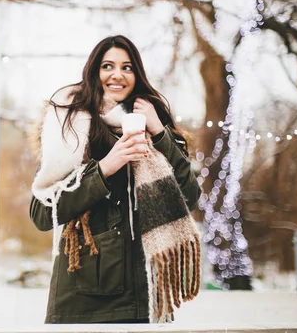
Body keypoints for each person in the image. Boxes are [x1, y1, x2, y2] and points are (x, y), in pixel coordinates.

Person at [29, 35, 202, 324]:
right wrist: (106, 167)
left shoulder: (156, 124)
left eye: (128, 67)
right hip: (87, 300)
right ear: (94, 72)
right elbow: (42, 213)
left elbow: (189, 197)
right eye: (108, 66)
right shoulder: (70, 128)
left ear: (137, 75)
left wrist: (159, 131)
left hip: (149, 297)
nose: (117, 75)